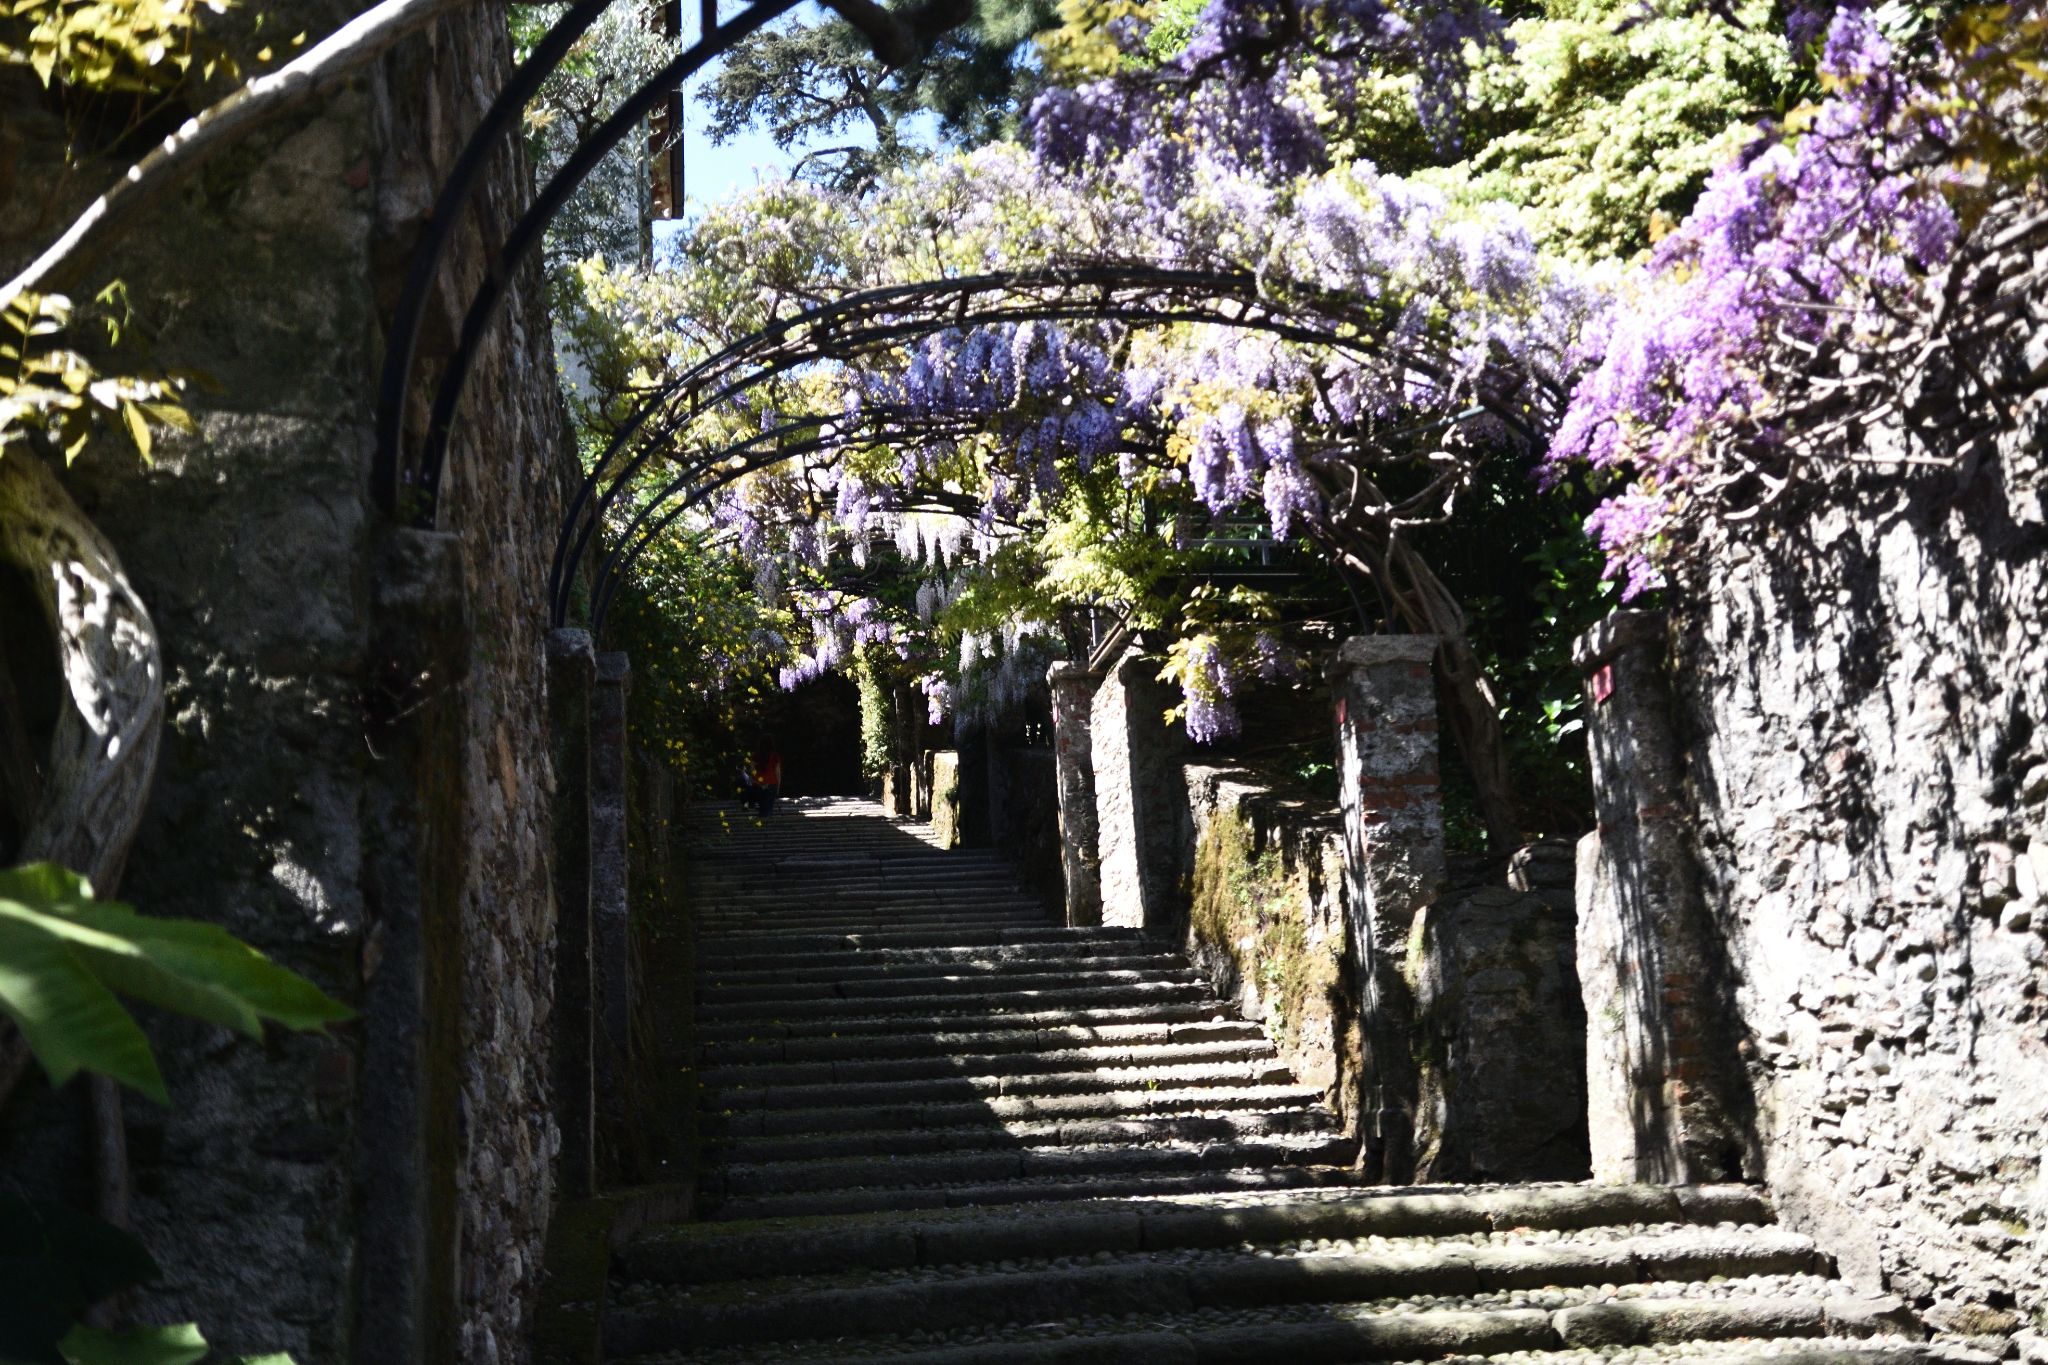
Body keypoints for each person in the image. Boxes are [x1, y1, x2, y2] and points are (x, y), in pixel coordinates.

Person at [747, 742, 782, 817]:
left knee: (763, 809)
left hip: (759, 785)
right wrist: (778, 787)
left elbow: (751, 772)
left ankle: (763, 824)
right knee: (768, 809)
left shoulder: (755, 756)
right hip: (772, 784)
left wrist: (754, 783)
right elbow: (778, 773)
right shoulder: (774, 756)